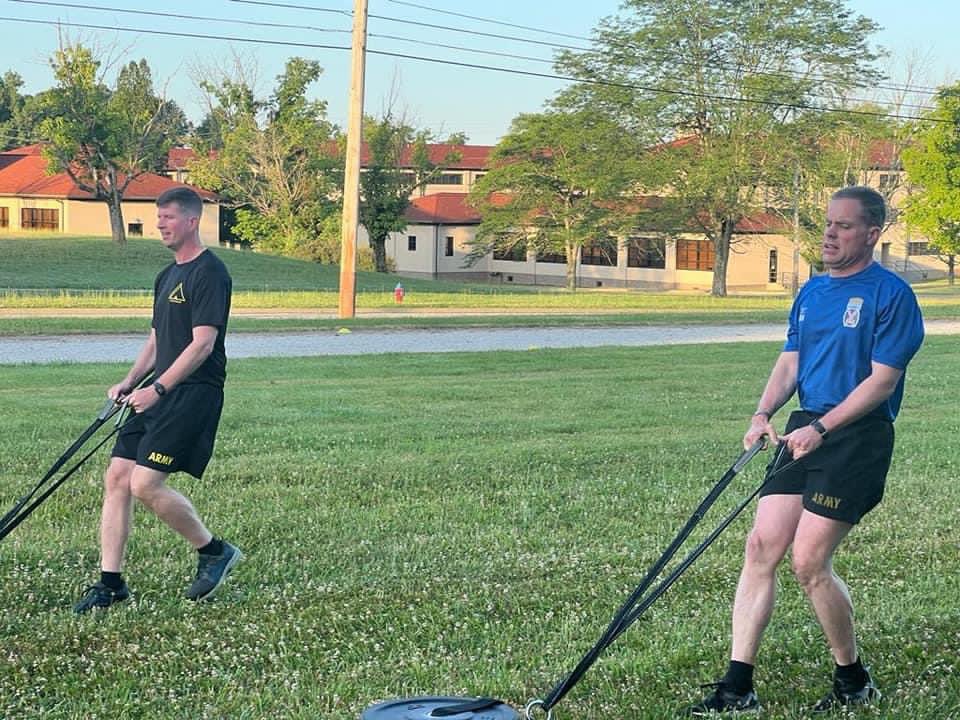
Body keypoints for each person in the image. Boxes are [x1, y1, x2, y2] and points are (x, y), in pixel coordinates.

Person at [686, 186, 924, 714]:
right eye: (828, 223)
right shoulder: (812, 292)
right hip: (803, 426)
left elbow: (882, 382)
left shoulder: (892, 295)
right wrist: (761, 414)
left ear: (872, 234)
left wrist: (823, 428)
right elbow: (790, 361)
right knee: (760, 547)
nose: (830, 234)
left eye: (844, 225)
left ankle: (852, 679)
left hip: (857, 434)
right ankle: (737, 686)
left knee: (809, 563)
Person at [74, 186, 241, 613]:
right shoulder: (166, 276)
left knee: (144, 483)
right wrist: (131, 381)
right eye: (158, 217)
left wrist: (159, 389)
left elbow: (202, 345)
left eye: (168, 217)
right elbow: (156, 338)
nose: (160, 225)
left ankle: (214, 551)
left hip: (192, 393)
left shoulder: (210, 273)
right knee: (117, 477)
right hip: (155, 391)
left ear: (191, 221)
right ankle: (110, 584)